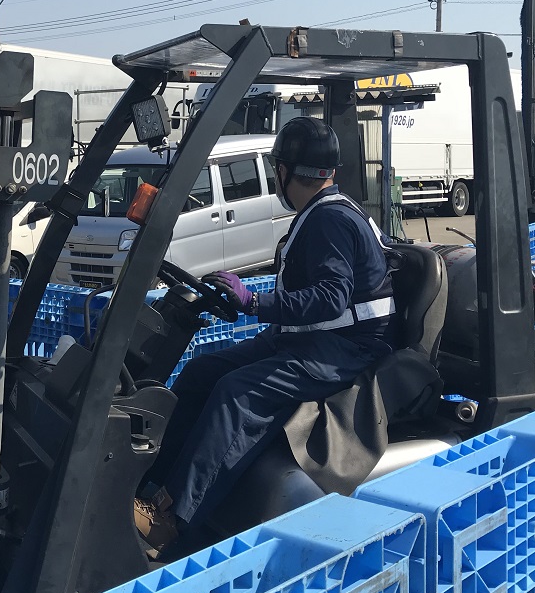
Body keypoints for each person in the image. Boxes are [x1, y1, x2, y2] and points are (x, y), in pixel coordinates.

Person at [134, 116, 395, 554]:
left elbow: (331, 298)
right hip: (307, 336)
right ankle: (146, 483)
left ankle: (170, 520)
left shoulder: (329, 220)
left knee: (236, 394)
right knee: (202, 372)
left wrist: (254, 303)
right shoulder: (323, 213)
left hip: (343, 349)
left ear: (285, 171)